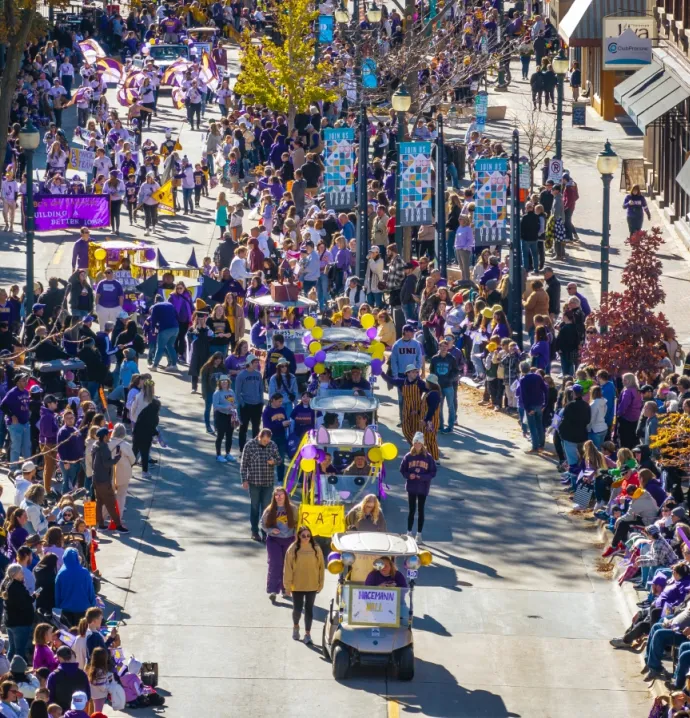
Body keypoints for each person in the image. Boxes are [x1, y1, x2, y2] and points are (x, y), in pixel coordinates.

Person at [282, 526, 325, 645]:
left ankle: (307, 634)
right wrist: (287, 586)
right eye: (303, 536)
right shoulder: (293, 549)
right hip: (297, 585)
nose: (306, 538)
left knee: (309, 609)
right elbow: (288, 568)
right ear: (298, 536)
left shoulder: (316, 548)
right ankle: (296, 626)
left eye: (308, 536)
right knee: (297, 609)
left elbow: (321, 567)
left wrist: (321, 583)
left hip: (312, 584)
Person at [240, 428, 282, 542]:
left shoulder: (272, 445)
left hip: (268, 482)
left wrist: (274, 461)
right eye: (264, 440)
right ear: (259, 437)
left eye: (268, 440)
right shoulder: (249, 446)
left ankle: (265, 532)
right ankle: (254, 531)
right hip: (254, 482)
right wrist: (244, 480)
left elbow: (279, 459)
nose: (266, 442)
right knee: (254, 507)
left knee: (266, 508)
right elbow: (244, 464)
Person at [261, 487, 298, 601]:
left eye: (281, 495)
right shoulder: (269, 509)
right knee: (275, 564)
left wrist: (297, 535)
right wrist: (271, 530)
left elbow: (298, 523)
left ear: (286, 496)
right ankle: (273, 590)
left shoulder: (293, 508)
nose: (279, 497)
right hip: (274, 540)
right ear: (274, 497)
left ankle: (286, 590)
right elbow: (262, 524)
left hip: (289, 539)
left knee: (287, 565)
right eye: (276, 495)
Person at [400, 432, 437, 543]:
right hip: (411, 487)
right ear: (413, 443)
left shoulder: (428, 457)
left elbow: (433, 472)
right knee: (411, 510)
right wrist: (408, 475)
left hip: (423, 487)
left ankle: (419, 534)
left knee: (421, 510)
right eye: (415, 443)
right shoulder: (408, 456)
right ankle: (409, 532)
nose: (417, 445)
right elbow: (402, 469)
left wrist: (422, 477)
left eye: (419, 443)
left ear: (422, 444)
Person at [91, 427, 128, 533]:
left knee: (100, 502)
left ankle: (101, 524)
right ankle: (118, 525)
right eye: (108, 435)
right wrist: (117, 458)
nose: (109, 436)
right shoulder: (104, 448)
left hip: (96, 479)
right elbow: (107, 463)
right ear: (104, 436)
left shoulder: (95, 446)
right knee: (111, 503)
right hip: (104, 481)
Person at [54, 548, 96, 627]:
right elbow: (90, 591)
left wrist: (58, 608)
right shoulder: (85, 572)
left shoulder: (60, 574)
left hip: (66, 611)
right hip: (83, 609)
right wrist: (93, 605)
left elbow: (57, 594)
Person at [1, 564, 35, 661]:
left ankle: (7, 667)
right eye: (20, 573)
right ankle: (18, 672)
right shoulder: (17, 587)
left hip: (10, 622)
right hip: (20, 623)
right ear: (14, 574)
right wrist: (33, 597)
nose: (23, 574)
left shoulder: (6, 585)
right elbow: (23, 604)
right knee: (19, 650)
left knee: (12, 649)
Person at [46, 646, 90, 712]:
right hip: (79, 713)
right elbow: (88, 696)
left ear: (59, 657)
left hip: (59, 714)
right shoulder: (82, 674)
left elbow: (49, 699)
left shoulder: (53, 676)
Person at [108, 423, 136, 514]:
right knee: (121, 496)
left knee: (109, 495)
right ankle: (118, 516)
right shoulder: (126, 445)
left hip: (109, 474)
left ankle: (106, 514)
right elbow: (133, 459)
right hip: (123, 474)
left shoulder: (107, 443)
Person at [212, 375, 239, 463]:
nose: (224, 383)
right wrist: (225, 407)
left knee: (229, 436)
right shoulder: (217, 393)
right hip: (221, 416)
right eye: (222, 381)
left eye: (226, 381)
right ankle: (218, 455)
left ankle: (228, 453)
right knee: (220, 436)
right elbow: (216, 406)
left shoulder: (231, 391)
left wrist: (235, 406)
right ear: (219, 383)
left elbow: (235, 402)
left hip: (230, 416)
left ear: (228, 382)